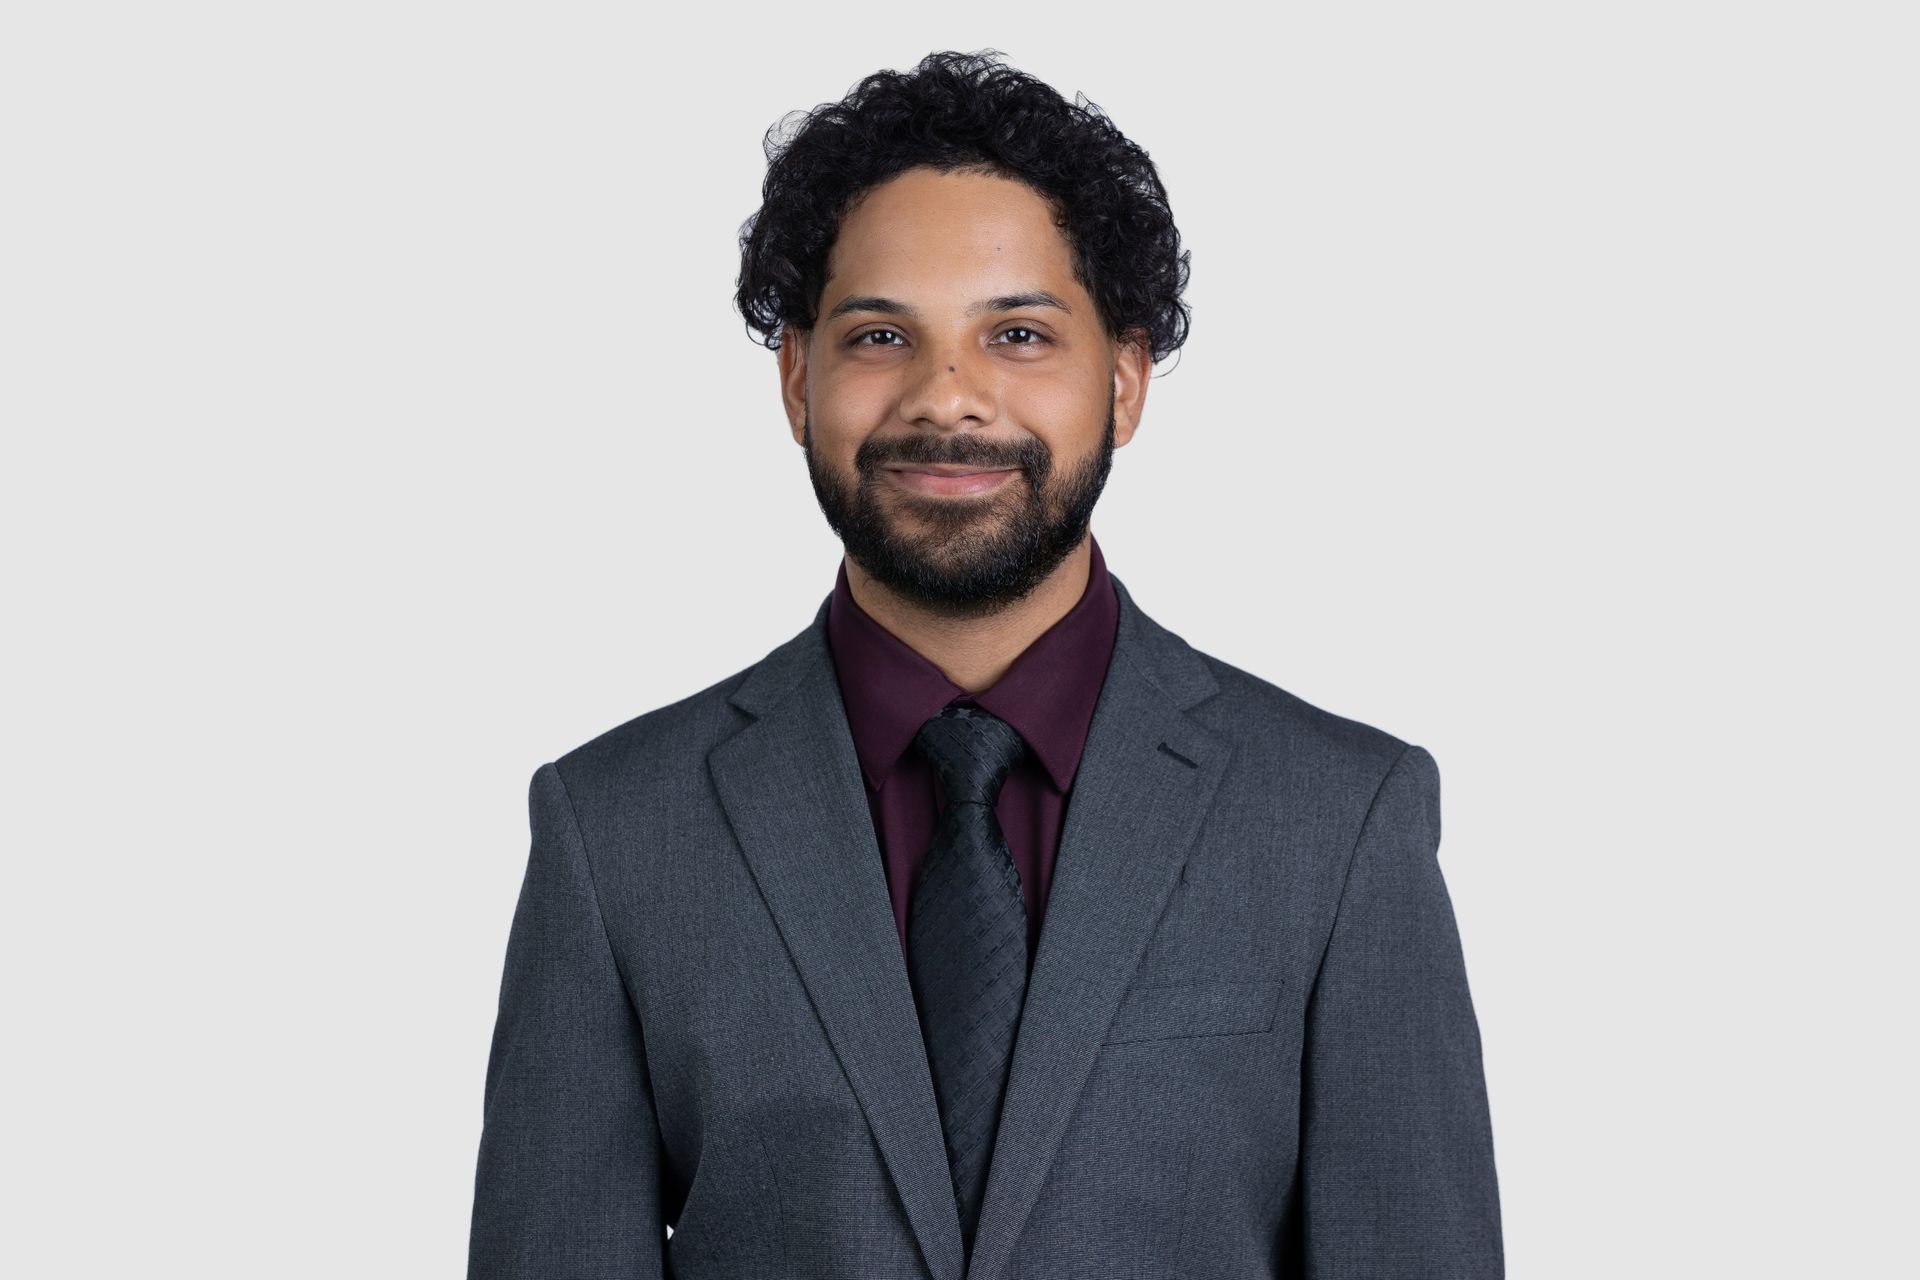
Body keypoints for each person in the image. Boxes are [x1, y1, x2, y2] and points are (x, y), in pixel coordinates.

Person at [466, 48, 1503, 1280]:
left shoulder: (1339, 820)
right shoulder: (617, 829)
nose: (947, 397)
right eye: (878, 335)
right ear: (798, 378)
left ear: (1123, 380)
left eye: (1016, 333)